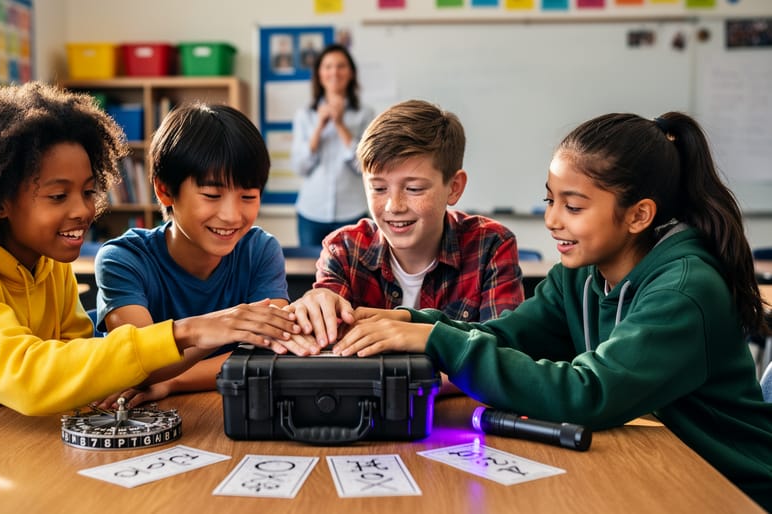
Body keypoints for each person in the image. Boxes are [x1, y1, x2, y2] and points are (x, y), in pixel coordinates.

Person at [329, 112, 772, 508]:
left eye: (573, 206)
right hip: (658, 469)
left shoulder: (684, 290)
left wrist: (434, 340)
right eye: (550, 200)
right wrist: (412, 321)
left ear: (638, 216)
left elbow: (588, 394)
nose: (552, 220)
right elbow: (507, 335)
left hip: (728, 485)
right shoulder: (580, 275)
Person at [0, 83, 306, 467]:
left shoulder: (48, 262)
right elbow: (29, 375)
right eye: (58, 195)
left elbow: (80, 362)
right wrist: (191, 331)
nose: (82, 211)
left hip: (1, 437)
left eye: (88, 191)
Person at [94, 102, 314, 409]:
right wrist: (222, 327)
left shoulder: (260, 250)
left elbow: (269, 351)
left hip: (222, 405)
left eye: (248, 197)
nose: (231, 215)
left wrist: (173, 381)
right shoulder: (123, 258)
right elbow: (141, 366)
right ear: (165, 190)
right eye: (212, 195)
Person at [289, 100, 524, 348]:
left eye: (414, 188)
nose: (394, 206)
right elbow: (326, 338)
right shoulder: (344, 248)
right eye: (378, 188)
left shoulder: (490, 245)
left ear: (453, 188)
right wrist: (317, 304)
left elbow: (502, 353)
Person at [291, 43, 375, 247]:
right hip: (311, 212)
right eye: (328, 66)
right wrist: (319, 127)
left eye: (341, 66)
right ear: (319, 73)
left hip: (352, 211)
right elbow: (300, 167)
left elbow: (364, 166)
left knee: (355, 275)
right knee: (310, 275)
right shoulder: (305, 115)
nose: (334, 72)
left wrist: (339, 124)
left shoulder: (366, 114)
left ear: (351, 73)